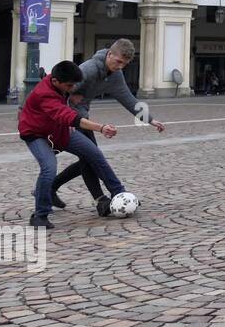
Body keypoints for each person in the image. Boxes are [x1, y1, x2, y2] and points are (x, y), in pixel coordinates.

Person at [51, 38, 166, 214]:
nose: (120, 66)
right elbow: (59, 91)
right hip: (68, 120)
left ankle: (51, 188)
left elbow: (127, 98)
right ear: (110, 54)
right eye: (118, 61)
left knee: (89, 158)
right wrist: (67, 110)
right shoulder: (88, 69)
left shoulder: (115, 75)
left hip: (82, 117)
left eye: (124, 64)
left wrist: (149, 119)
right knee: (92, 157)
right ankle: (106, 198)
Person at [19, 61, 130, 230]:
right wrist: (101, 128)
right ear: (55, 81)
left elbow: (67, 108)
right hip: (37, 135)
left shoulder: (60, 84)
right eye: (69, 86)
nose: (72, 88)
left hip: (59, 131)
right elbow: (68, 116)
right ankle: (40, 216)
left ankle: (119, 193)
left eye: (74, 85)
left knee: (94, 153)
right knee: (49, 167)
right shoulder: (44, 94)